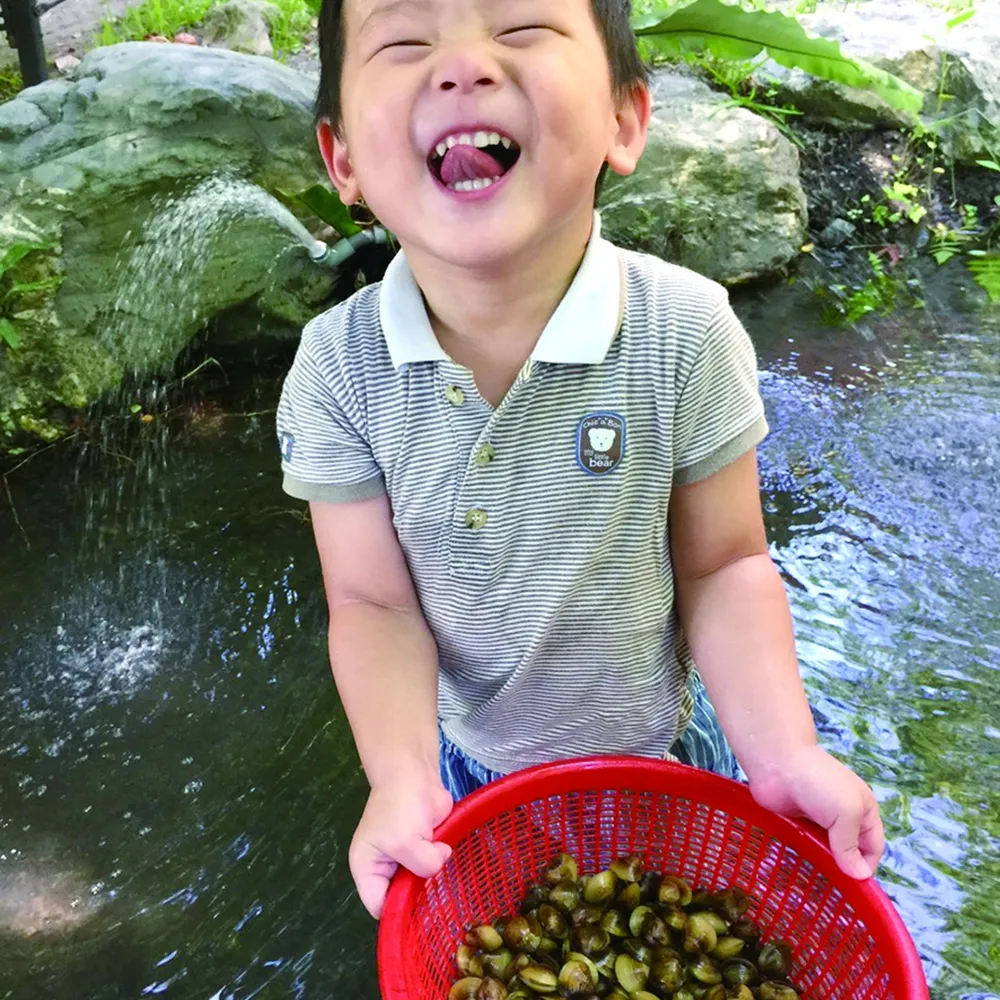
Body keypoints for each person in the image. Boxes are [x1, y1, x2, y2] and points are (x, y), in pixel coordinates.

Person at [275, 0, 885, 920]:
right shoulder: (337, 368)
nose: (463, 65)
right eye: (405, 42)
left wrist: (786, 754)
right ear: (344, 160)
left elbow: (724, 566)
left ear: (624, 119)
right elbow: (373, 602)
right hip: (465, 770)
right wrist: (398, 779)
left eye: (520, 28)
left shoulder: (685, 331)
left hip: (666, 758)